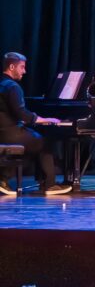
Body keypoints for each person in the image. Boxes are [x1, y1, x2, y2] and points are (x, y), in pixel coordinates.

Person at [0, 52, 72, 196]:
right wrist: (45, 119)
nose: (24, 71)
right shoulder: (13, 87)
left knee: (32, 142)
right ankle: (50, 185)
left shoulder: (2, 83)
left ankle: (4, 179)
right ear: (12, 67)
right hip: (9, 133)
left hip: (3, 131)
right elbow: (22, 113)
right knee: (43, 142)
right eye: (22, 67)